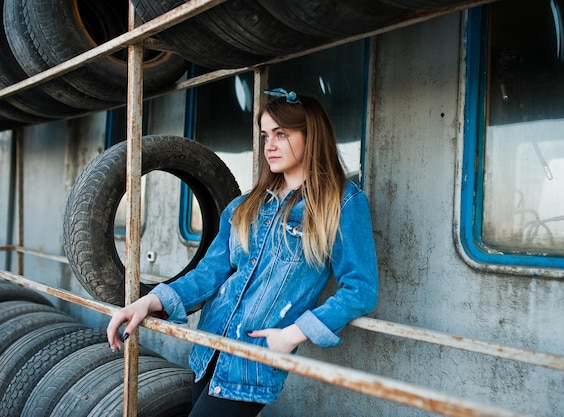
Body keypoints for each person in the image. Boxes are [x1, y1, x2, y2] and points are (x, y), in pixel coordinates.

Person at [107, 88, 379, 417]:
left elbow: (360, 289)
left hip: (254, 362)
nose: (270, 145)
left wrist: (293, 335)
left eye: (282, 134)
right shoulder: (245, 205)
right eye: (265, 136)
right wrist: (151, 300)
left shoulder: (342, 202)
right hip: (207, 349)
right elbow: (210, 275)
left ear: (312, 136)